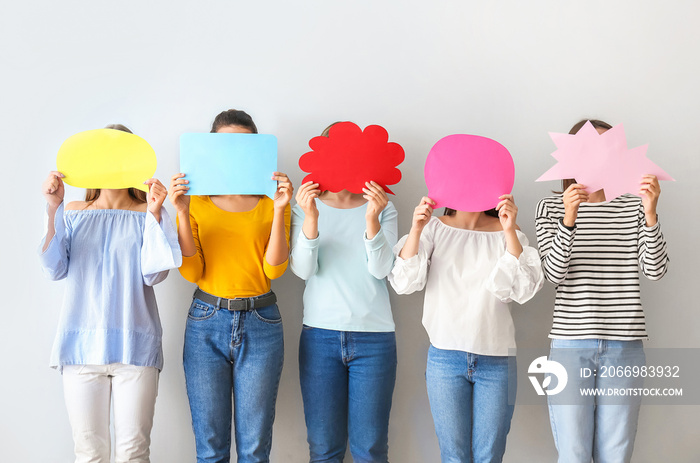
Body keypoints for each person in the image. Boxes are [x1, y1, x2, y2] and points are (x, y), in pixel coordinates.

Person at [39, 124, 181, 463]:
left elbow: (155, 273)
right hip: (80, 350)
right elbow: (52, 267)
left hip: (136, 348)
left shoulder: (148, 213)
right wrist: (52, 209)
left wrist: (156, 213)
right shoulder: (73, 212)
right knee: (89, 453)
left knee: (133, 453)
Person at [535, 119, 669, 463]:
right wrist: (569, 218)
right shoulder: (550, 208)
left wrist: (651, 213)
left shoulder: (632, 206)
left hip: (624, 344)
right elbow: (553, 273)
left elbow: (655, 271)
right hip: (569, 344)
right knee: (574, 455)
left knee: (615, 455)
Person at [169, 109, 293, 463]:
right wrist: (180, 212)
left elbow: (275, 268)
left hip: (262, 320)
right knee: (211, 448)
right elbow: (192, 272)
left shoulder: (272, 203)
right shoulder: (197, 202)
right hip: (206, 319)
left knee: (254, 448)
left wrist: (282, 208)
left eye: (244, 144)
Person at [389, 194, 543, 463]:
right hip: (445, 358)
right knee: (453, 456)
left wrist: (509, 230)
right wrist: (416, 228)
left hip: (496, 362)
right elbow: (404, 282)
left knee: (489, 456)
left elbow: (522, 290)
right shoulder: (434, 228)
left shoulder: (510, 231)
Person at [290, 123, 399, 463]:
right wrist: (310, 217)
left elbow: (383, 270)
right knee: (324, 449)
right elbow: (303, 270)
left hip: (374, 338)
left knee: (370, 449)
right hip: (320, 336)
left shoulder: (384, 207)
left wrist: (372, 220)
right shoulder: (304, 206)